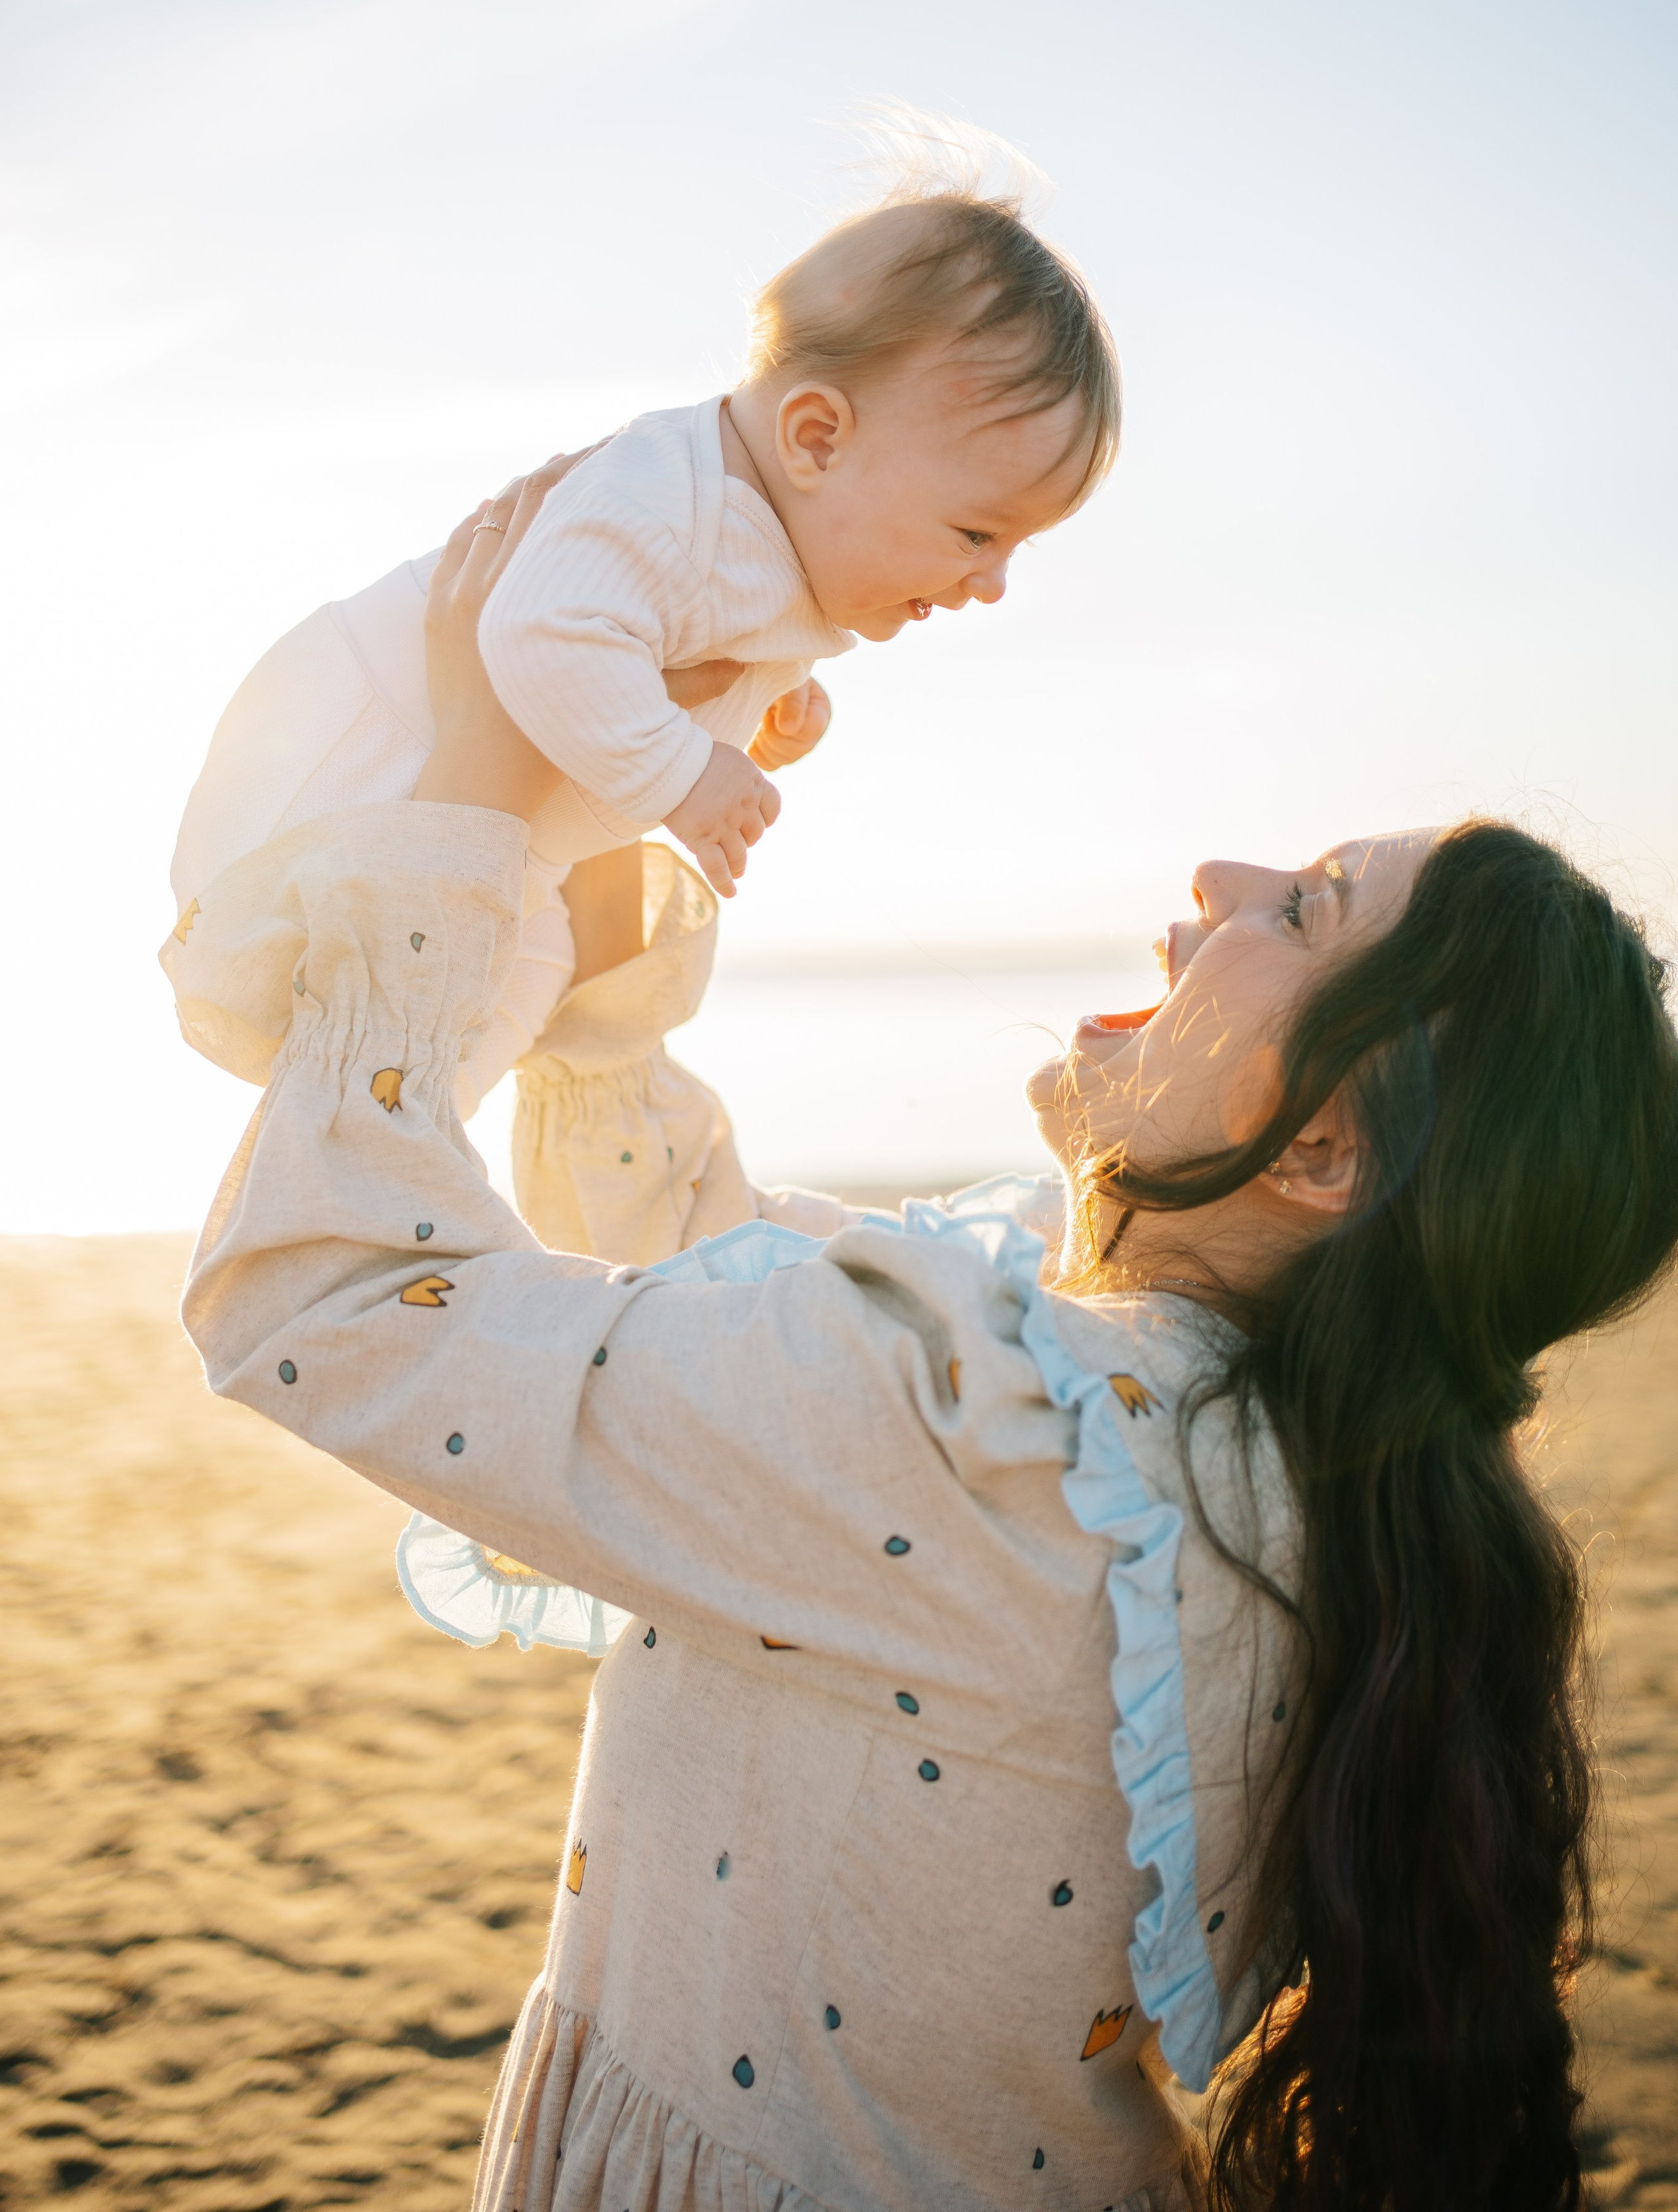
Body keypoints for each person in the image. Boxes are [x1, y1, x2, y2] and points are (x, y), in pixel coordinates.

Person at [180, 524, 1678, 2212]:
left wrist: (457, 810)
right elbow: (721, 1288)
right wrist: (597, 913)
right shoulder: (1322, 1483)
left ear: (1323, 1150)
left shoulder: (991, 1429)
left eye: (1306, 907)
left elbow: (330, 1303)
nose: (1217, 878)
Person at [161, 182, 1120, 1134]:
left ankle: (419, 1156)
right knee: (370, 1006)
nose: (990, 583)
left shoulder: (765, 537)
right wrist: (686, 766)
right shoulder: (667, 496)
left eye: (1012, 549)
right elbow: (542, 634)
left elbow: (671, 643)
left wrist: (765, 705)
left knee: (509, 994)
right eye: (973, 533)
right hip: (366, 754)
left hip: (502, 834)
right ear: (817, 439)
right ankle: (378, 1144)